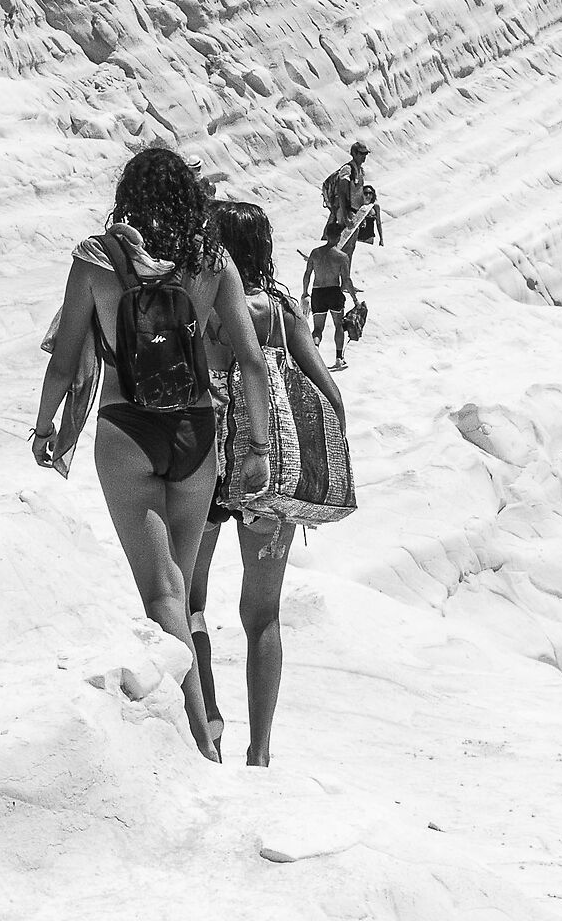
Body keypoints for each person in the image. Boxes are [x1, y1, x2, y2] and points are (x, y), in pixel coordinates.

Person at [30, 146, 276, 762]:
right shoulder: (210, 260)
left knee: (161, 594)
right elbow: (249, 359)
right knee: (184, 590)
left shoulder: (96, 258)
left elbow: (65, 359)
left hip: (126, 431)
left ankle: (200, 740)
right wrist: (259, 449)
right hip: (197, 433)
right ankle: (206, 730)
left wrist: (44, 426)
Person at [187, 202, 347, 767]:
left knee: (190, 602)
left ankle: (208, 728)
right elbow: (330, 393)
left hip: (204, 467)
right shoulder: (280, 311)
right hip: (266, 473)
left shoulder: (203, 304)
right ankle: (261, 751)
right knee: (264, 615)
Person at [301, 236, 359, 368]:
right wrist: (355, 299)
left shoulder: (315, 253)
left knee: (317, 329)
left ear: (328, 235)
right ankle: (339, 358)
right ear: (339, 237)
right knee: (338, 325)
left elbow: (307, 274)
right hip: (334, 291)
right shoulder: (342, 256)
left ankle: (314, 353)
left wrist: (305, 292)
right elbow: (347, 280)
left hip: (318, 292)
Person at [320, 141, 372, 244]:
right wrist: (345, 216)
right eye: (362, 153)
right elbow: (341, 194)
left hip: (353, 212)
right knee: (343, 242)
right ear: (354, 153)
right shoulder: (347, 170)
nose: (364, 156)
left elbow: (359, 193)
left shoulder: (360, 170)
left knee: (349, 241)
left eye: (365, 154)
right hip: (346, 212)